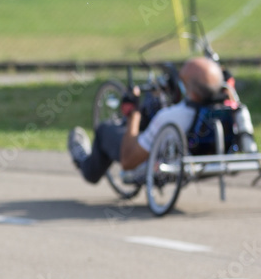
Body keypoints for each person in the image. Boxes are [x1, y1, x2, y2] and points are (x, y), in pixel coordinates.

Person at [68, 56, 227, 184]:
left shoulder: (170, 117)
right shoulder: (231, 111)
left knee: (105, 130)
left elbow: (128, 160)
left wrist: (134, 114)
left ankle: (83, 161)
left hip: (150, 158)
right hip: (200, 149)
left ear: (187, 86)